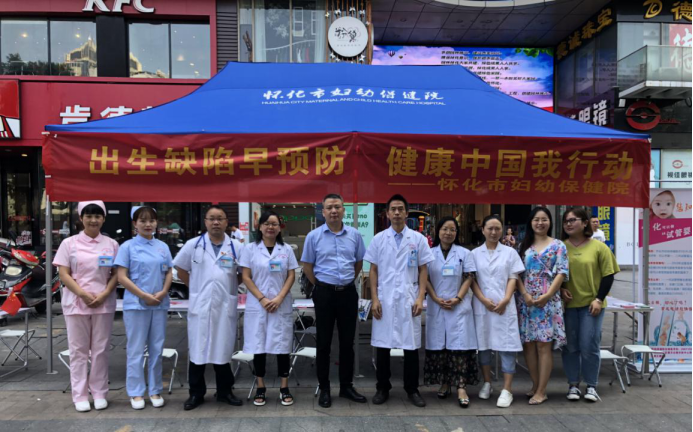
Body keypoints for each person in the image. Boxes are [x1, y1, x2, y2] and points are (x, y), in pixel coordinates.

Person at [365, 194, 435, 408]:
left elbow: (423, 269)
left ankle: (412, 389)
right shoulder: (378, 239)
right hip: (385, 297)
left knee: (411, 346)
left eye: (400, 209)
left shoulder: (418, 239)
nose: (396, 213)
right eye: (393, 209)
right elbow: (373, 270)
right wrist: (374, 298)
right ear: (387, 213)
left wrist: (420, 297)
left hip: (408, 296)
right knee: (383, 345)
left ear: (406, 213)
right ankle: (382, 387)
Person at [173, 206, 244, 411]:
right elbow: (180, 268)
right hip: (200, 305)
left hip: (224, 304)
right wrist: (195, 287)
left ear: (226, 222)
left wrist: (231, 286)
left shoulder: (236, 247)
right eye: (211, 218)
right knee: (198, 350)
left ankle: (225, 391)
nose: (216, 222)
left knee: (223, 348)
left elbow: (244, 273)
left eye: (220, 218)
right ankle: (196, 393)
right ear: (205, 222)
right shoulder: (193, 245)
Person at [301, 193, 367, 408]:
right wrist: (320, 285)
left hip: (347, 293)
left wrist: (346, 282)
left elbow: (358, 263)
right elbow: (307, 266)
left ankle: (346, 386)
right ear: (323, 212)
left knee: (347, 343)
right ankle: (325, 388)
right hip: (324, 294)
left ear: (343, 210)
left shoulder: (354, 235)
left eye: (337, 207)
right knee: (324, 342)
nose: (333, 211)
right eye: (329, 207)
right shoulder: (314, 236)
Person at [53, 201, 119, 413]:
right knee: (78, 351)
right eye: (88, 216)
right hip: (76, 302)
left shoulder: (111, 244)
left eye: (97, 216)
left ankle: (99, 392)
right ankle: (80, 395)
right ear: (81, 218)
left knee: (100, 350)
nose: (93, 220)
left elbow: (116, 274)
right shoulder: (69, 243)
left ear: (104, 219)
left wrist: (105, 293)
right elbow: (64, 274)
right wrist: (82, 293)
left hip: (103, 302)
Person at [115, 206, 173, 410]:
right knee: (136, 349)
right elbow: (121, 276)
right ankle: (136, 392)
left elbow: (169, 271)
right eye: (143, 221)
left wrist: (163, 291)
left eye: (152, 220)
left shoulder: (162, 247)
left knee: (157, 348)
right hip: (136, 304)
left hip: (159, 303)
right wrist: (143, 295)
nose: (148, 224)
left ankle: (155, 390)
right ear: (135, 224)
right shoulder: (127, 247)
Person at [239, 211, 300, 407]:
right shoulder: (250, 249)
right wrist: (262, 299)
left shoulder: (286, 249)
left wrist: (279, 297)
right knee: (259, 346)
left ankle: (284, 387)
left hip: (281, 304)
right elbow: (246, 277)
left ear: (279, 227)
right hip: (258, 304)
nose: (270, 227)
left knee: (282, 347)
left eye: (274, 224)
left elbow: (291, 275)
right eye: (266, 223)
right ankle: (261, 387)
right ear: (260, 227)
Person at [561, 207, 619, 403]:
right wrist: (560, 290)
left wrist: (599, 299)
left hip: (591, 305)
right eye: (566, 221)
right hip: (568, 306)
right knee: (570, 347)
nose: (568, 224)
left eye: (573, 220)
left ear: (585, 223)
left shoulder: (599, 247)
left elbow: (608, 275)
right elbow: (554, 275)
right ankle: (573, 384)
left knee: (589, 345)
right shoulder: (560, 247)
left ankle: (591, 385)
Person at [423, 216, 478, 408]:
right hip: (437, 305)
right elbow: (424, 278)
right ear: (438, 231)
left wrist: (458, 299)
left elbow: (469, 277)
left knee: (459, 348)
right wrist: (435, 298)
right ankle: (445, 383)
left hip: (458, 306)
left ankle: (461, 387)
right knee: (441, 347)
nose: (448, 233)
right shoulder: (429, 254)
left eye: (452, 230)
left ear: (457, 233)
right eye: (445, 229)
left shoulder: (464, 253)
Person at [516, 207, 569, 405]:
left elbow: (562, 272)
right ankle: (535, 384)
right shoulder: (523, 245)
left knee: (543, 345)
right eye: (536, 219)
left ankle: (542, 390)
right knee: (528, 344)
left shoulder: (558, 245)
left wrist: (548, 295)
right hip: (527, 300)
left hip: (548, 301)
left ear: (550, 222)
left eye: (544, 219)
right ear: (530, 222)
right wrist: (525, 294)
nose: (540, 223)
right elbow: (516, 273)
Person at [471, 215, 525, 408]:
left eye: (497, 228)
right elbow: (472, 280)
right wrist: (483, 300)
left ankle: (507, 389)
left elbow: (513, 277)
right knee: (483, 345)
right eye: (490, 228)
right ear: (483, 230)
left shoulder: (510, 253)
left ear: (502, 230)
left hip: (504, 306)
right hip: (482, 306)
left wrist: (506, 299)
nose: (494, 232)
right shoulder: (474, 254)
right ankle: (487, 383)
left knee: (507, 346)